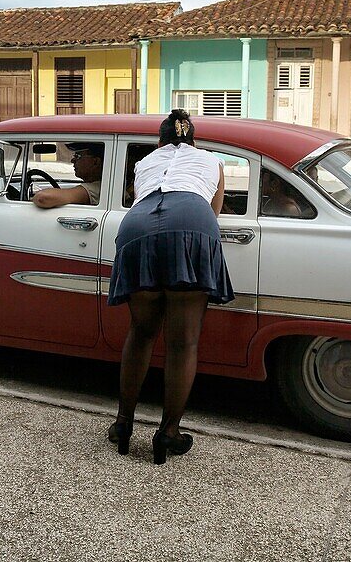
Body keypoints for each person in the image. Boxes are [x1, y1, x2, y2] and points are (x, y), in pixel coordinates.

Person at [106, 109, 234, 464]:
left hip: (137, 228)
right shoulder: (212, 162)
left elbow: (139, 198)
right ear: (194, 141)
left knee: (142, 332)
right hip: (192, 223)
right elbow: (215, 211)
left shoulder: (145, 162)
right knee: (182, 342)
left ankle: (123, 425)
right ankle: (168, 433)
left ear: (160, 141)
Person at [31, 142, 104, 208]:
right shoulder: (103, 185)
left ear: (95, 162)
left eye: (78, 156)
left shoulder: (94, 188)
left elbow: (42, 198)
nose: (72, 160)